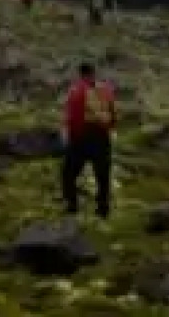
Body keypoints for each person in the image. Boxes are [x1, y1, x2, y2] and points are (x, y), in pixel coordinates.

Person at [60, 61, 117, 219]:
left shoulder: (76, 90)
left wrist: (72, 137)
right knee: (103, 175)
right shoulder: (105, 89)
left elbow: (74, 116)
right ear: (93, 73)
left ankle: (72, 206)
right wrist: (110, 129)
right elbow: (112, 112)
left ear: (80, 73)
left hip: (82, 137)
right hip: (102, 136)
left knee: (68, 174)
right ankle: (103, 209)